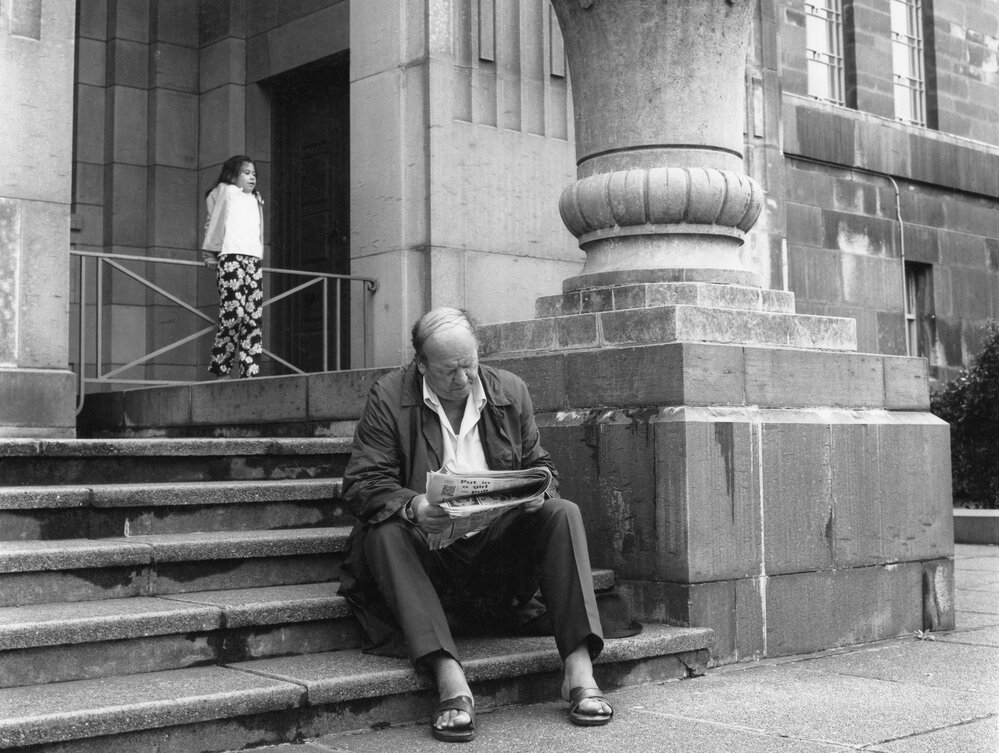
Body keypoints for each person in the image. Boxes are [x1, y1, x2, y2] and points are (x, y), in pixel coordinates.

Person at [339, 307, 613, 742]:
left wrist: (537, 490)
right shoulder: (389, 396)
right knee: (385, 531)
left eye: (471, 364)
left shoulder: (510, 391)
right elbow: (362, 482)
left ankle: (578, 671)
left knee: (563, 512)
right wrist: (411, 507)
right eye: (450, 371)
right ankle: (449, 677)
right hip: (429, 554)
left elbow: (539, 464)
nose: (465, 379)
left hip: (494, 554)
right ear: (421, 365)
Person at [201, 154, 265, 378]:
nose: (252, 177)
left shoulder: (255, 198)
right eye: (246, 173)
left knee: (252, 317)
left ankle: (250, 371)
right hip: (231, 260)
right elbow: (213, 222)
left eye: (254, 174)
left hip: (253, 261)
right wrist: (210, 255)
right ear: (233, 175)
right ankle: (221, 368)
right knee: (234, 314)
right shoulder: (225, 192)